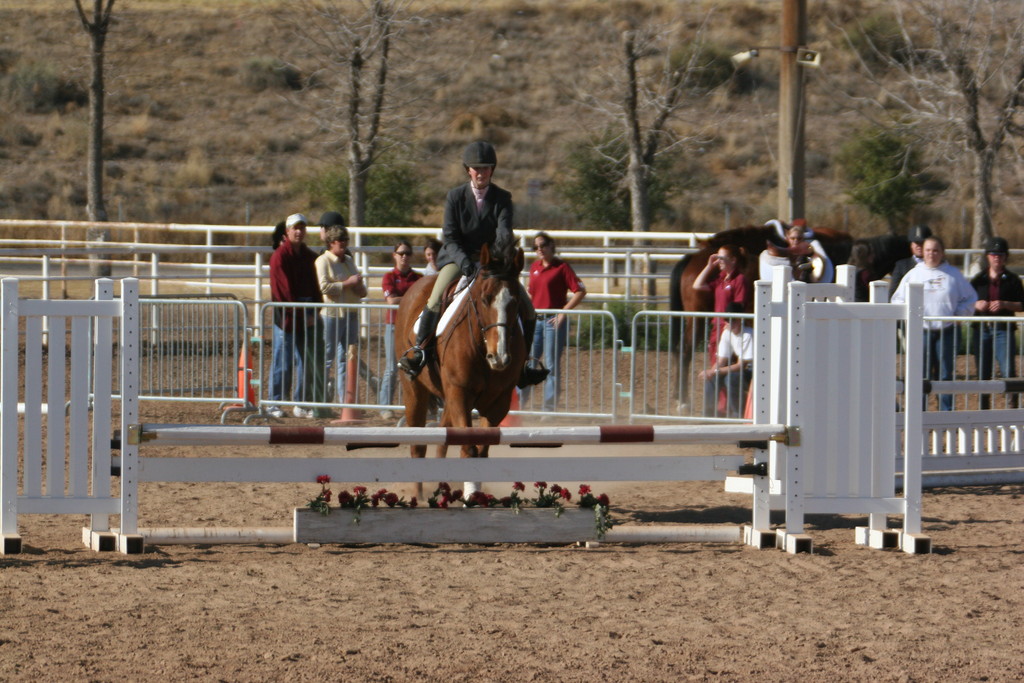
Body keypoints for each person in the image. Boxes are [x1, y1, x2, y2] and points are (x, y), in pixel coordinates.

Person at [396, 140, 547, 388]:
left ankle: (523, 365)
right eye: (477, 168)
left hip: (491, 263)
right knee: (434, 299)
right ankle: (418, 352)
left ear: (492, 170)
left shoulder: (502, 198)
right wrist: (465, 262)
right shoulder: (455, 197)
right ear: (468, 170)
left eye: (486, 168)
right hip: (459, 259)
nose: (481, 172)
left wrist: (496, 261)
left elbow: (503, 233)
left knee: (528, 308)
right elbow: (451, 236)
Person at [891, 236, 977, 411]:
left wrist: (959, 315)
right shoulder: (914, 274)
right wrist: (909, 316)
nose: (932, 254)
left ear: (942, 253)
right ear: (923, 252)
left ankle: (946, 413)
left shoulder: (953, 274)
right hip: (920, 332)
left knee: (945, 374)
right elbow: (897, 299)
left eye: (936, 250)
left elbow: (970, 298)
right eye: (928, 250)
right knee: (920, 374)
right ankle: (918, 412)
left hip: (947, 331)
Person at [269, 213, 331, 418]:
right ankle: (274, 402)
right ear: (287, 231)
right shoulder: (279, 257)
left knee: (307, 362)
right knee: (282, 362)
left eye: (302, 228)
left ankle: (301, 402)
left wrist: (315, 311)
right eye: (295, 228)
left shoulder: (310, 257)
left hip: (307, 319)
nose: (299, 231)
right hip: (286, 320)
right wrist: (304, 314)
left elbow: (317, 288)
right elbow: (283, 292)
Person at [525, 232, 586, 411]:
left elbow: (580, 291)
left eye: (543, 245)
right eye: (536, 247)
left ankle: (549, 407)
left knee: (551, 364)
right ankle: (520, 403)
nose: (540, 249)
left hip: (552, 321)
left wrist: (562, 313)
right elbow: (532, 294)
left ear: (551, 245)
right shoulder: (534, 267)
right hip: (536, 320)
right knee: (529, 362)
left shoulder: (562, 267)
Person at [315, 218, 366, 409]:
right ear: (331, 243)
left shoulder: (350, 261)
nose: (343, 243)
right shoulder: (323, 261)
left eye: (345, 240)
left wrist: (358, 285)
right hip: (332, 314)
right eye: (339, 240)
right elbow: (324, 287)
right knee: (327, 356)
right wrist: (348, 284)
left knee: (347, 357)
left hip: (351, 313)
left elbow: (359, 286)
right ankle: (319, 399)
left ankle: (346, 401)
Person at [970, 236, 1024, 409]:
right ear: (987, 256)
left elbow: (1022, 304)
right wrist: (976, 305)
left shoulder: (1013, 280)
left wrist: (1005, 304)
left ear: (1005, 257)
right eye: (993, 254)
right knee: (982, 372)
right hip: (981, 329)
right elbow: (966, 303)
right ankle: (983, 409)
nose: (996, 258)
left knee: (1008, 371)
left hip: (1004, 330)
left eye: (1000, 254)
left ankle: (1012, 409)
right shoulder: (978, 280)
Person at [379, 239, 422, 416]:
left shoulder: (418, 278)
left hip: (413, 328)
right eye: (401, 253)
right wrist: (413, 298)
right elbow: (391, 300)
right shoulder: (389, 277)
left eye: (407, 253)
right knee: (391, 367)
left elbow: (399, 299)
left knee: (415, 366)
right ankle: (385, 407)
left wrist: (402, 298)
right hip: (394, 326)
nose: (404, 256)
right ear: (394, 255)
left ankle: (414, 405)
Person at [692, 243, 749, 357]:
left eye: (721, 258)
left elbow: (739, 303)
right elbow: (697, 285)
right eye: (717, 258)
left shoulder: (739, 279)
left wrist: (732, 323)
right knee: (715, 360)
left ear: (733, 260)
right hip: (717, 326)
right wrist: (709, 266)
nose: (719, 261)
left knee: (723, 364)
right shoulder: (721, 279)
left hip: (729, 327)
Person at [700, 302, 753, 418]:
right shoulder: (727, 333)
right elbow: (721, 360)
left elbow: (742, 365)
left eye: (733, 320)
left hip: (754, 372)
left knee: (731, 378)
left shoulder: (748, 334)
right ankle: (708, 413)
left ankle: (738, 413)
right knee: (713, 376)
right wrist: (712, 372)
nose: (729, 323)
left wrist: (714, 371)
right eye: (727, 320)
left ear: (741, 320)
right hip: (743, 369)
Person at [759, 218, 833, 283]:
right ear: (788, 238)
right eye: (793, 238)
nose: (796, 241)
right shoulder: (776, 251)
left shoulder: (810, 248)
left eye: (799, 238)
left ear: (803, 239)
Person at [889, 224, 932, 299]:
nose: (919, 246)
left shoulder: (937, 266)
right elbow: (894, 293)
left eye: (922, 242)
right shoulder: (901, 266)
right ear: (911, 245)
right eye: (916, 242)